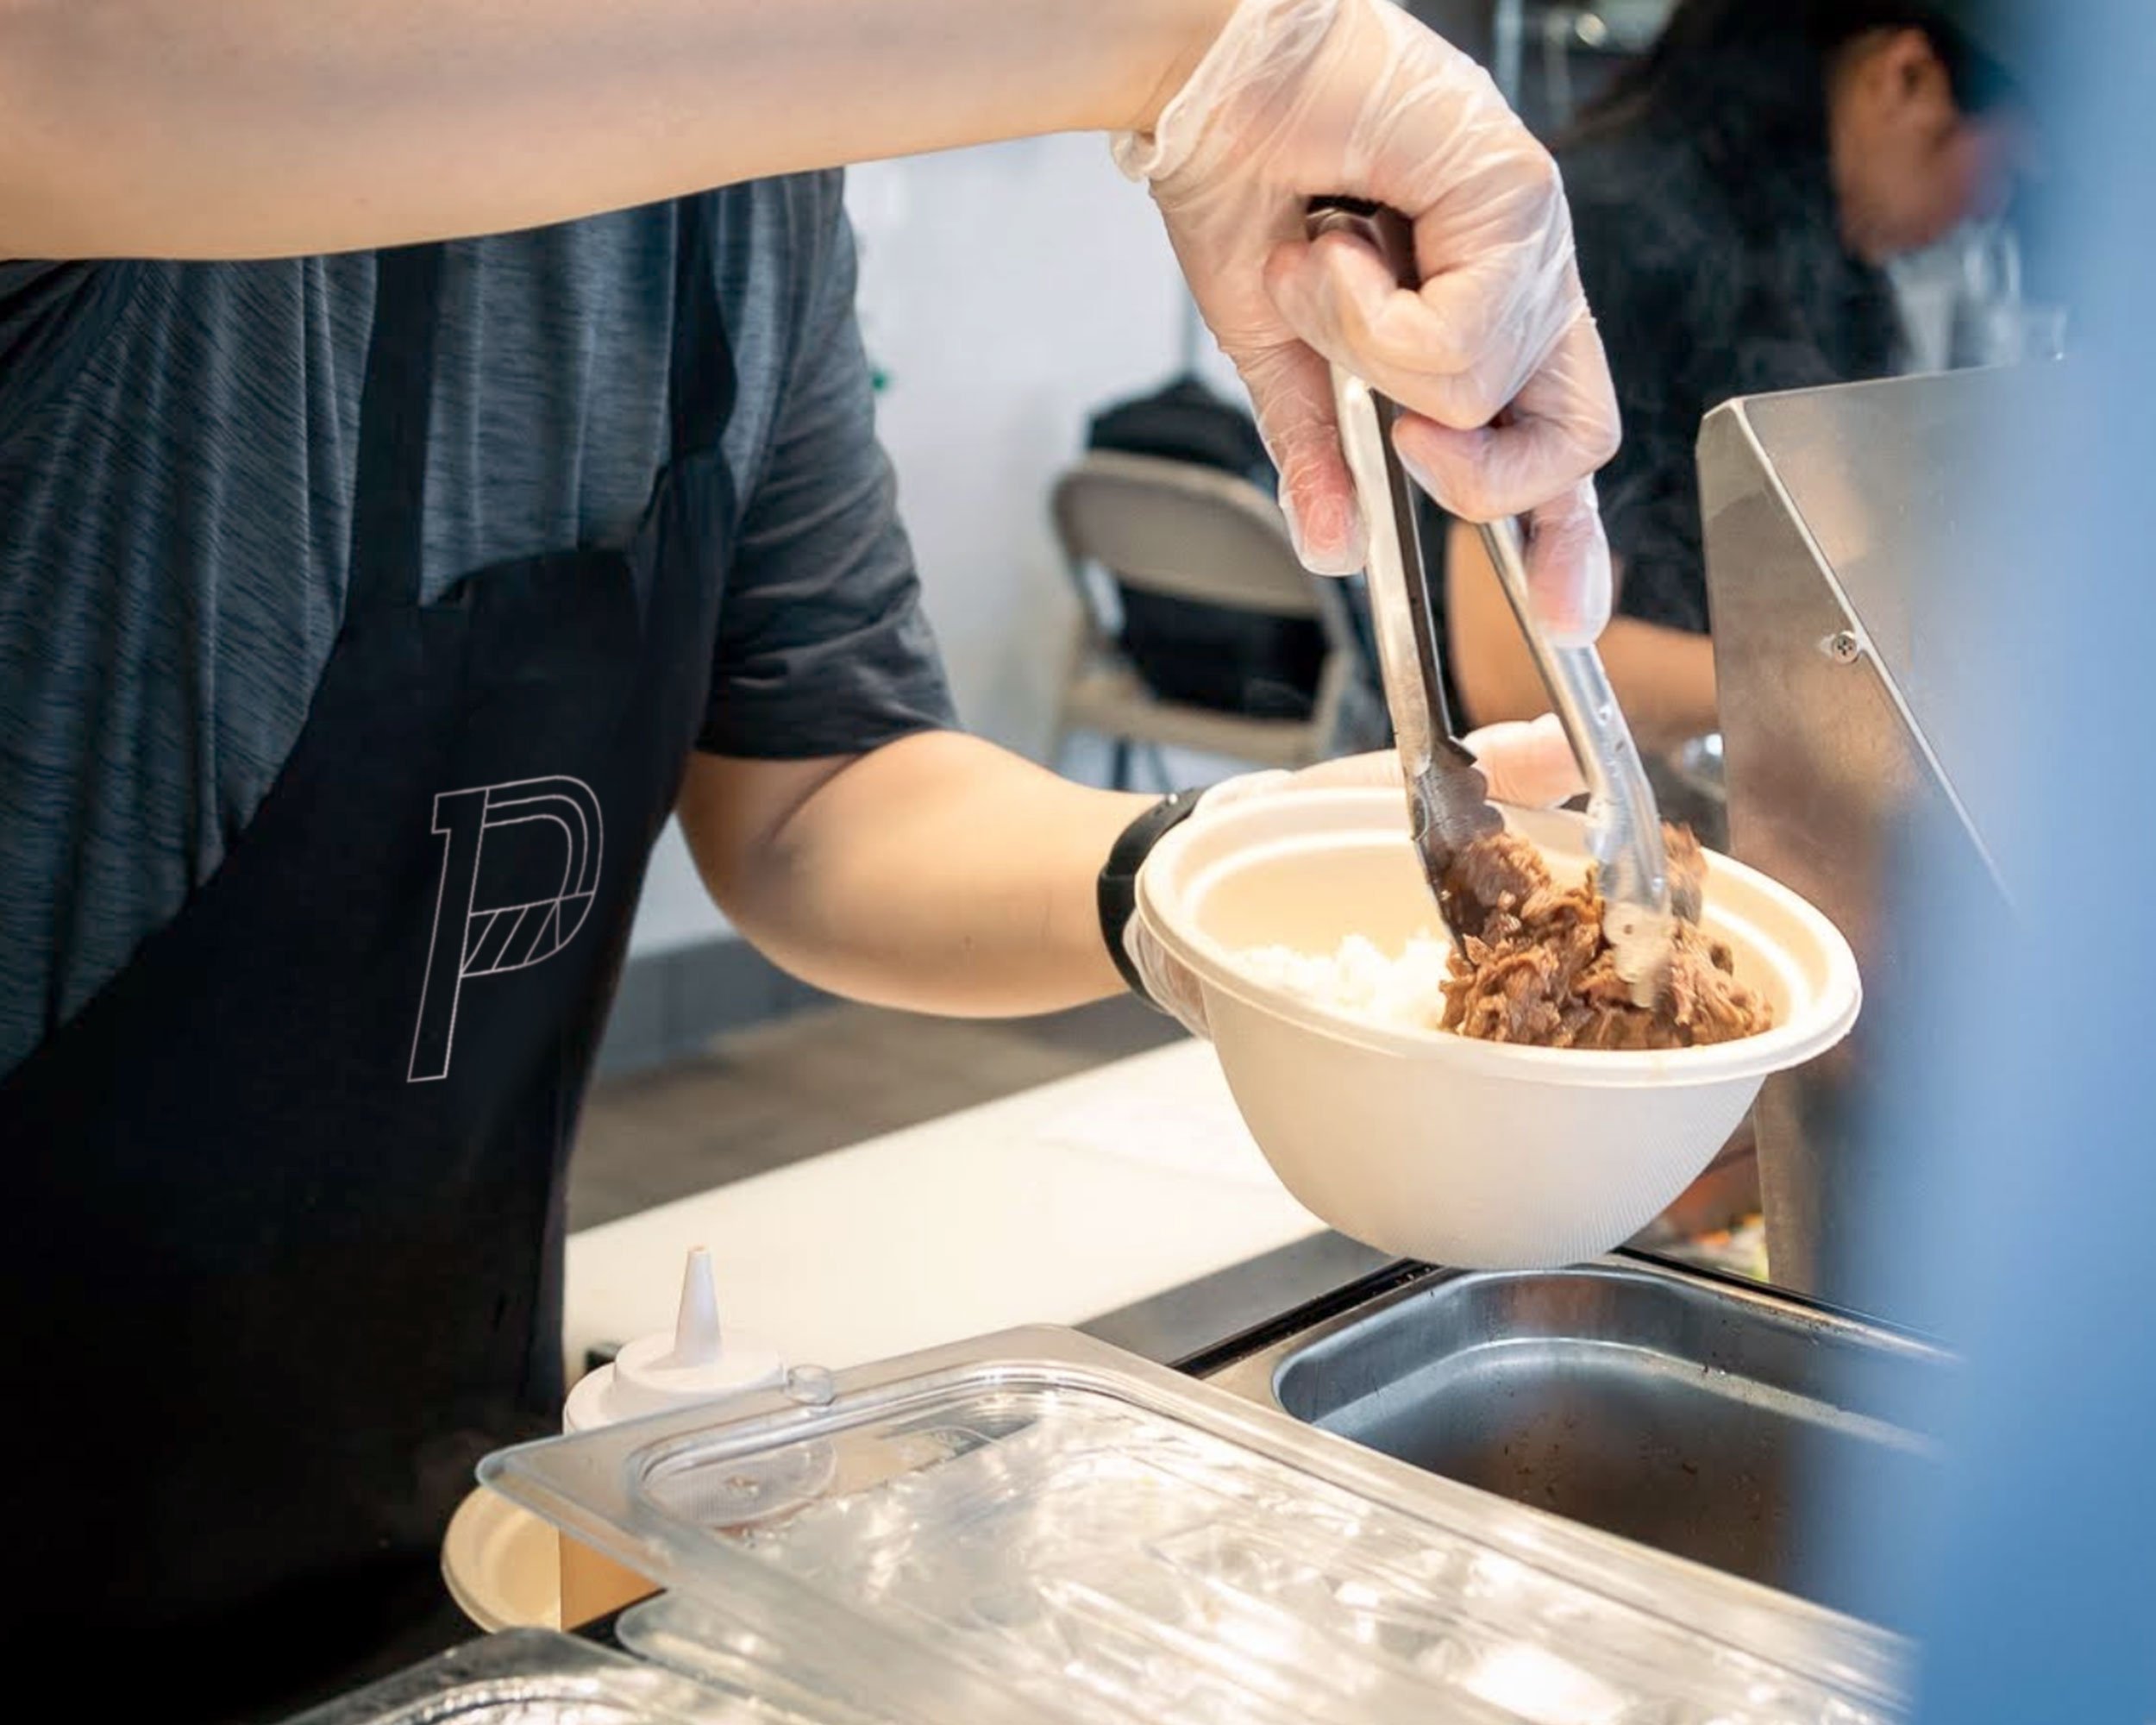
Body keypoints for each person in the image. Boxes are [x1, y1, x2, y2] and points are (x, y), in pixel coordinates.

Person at [0, 1, 1613, 1715]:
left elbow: (813, 795)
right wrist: (1194, 45)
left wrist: (1200, 883)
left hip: (425, 1518)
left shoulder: (740, 200)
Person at [1443, 0, 2028, 751]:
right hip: (1530, 801)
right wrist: (1859, 686)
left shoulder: (1825, 262)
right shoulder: (1616, 235)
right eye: (2005, 171)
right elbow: (1515, 674)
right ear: (1905, 77)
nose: (1986, 210)